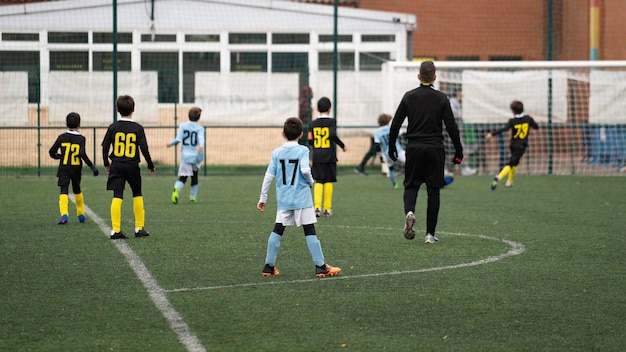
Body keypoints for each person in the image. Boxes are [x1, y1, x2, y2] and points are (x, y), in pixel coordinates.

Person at [388, 61, 463, 244]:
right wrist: (458, 149)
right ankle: (430, 234)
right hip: (435, 149)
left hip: (414, 148)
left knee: (411, 186)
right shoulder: (442, 98)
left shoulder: (409, 97)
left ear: (419, 76)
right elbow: (451, 126)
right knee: (433, 191)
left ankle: (410, 212)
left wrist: (391, 146)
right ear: (435, 77)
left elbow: (396, 123)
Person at [257, 117, 341, 278]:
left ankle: (268, 266)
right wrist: (310, 182)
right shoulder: (303, 150)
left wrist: (263, 198)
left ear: (283, 133)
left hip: (284, 199)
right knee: (309, 230)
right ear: (301, 134)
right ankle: (320, 266)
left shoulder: (277, 152)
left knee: (278, 229)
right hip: (301, 198)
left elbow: (268, 175)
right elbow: (304, 170)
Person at [102, 95, 155, 240]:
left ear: (117, 109)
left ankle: (115, 230)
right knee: (137, 193)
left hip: (117, 165)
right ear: (133, 109)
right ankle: (139, 228)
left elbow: (105, 146)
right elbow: (144, 148)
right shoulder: (138, 128)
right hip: (132, 165)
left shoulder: (113, 127)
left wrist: (106, 163)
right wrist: (150, 165)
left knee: (117, 195)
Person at [49, 112, 99, 224]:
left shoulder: (61, 137)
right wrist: (92, 166)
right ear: (79, 124)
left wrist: (59, 157)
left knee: (63, 191)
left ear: (66, 124)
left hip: (64, 168)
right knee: (77, 190)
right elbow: (82, 153)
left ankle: (64, 215)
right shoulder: (81, 139)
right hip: (76, 168)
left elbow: (51, 152)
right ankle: (81, 214)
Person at [486, 100, 539, 190]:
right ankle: (498, 177)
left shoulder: (512, 121)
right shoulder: (528, 119)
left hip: (513, 144)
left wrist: (492, 134)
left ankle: (509, 182)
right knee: (511, 163)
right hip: (521, 145)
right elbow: (536, 127)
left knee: (515, 162)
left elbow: (504, 129)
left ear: (513, 111)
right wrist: (531, 118)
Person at [308, 97, 346, 217]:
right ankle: (327, 209)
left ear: (317, 109)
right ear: (329, 109)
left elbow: (310, 140)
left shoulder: (312, 124)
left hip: (317, 156)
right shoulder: (332, 122)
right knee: (329, 180)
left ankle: (317, 206)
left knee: (318, 180)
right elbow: (333, 134)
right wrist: (342, 145)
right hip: (329, 156)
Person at [167, 107, 205, 204]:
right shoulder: (200, 128)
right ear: (199, 118)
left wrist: (171, 144)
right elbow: (201, 138)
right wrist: (201, 146)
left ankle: (176, 190)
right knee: (195, 176)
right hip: (196, 156)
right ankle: (193, 197)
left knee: (183, 177)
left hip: (186, 156)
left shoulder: (183, 126)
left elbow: (178, 139)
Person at [447, 90, 477, 176]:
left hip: (456, 131)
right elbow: (454, 115)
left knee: (459, 150)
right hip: (451, 131)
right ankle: (449, 168)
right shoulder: (452, 102)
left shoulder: (457, 103)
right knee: (450, 151)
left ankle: (463, 167)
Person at [374, 113, 405, 189]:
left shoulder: (377, 132)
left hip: (388, 154)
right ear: (388, 121)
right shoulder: (392, 127)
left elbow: (377, 145)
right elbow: (402, 134)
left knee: (391, 168)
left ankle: (395, 184)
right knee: (412, 164)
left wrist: (381, 158)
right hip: (398, 151)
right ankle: (421, 179)